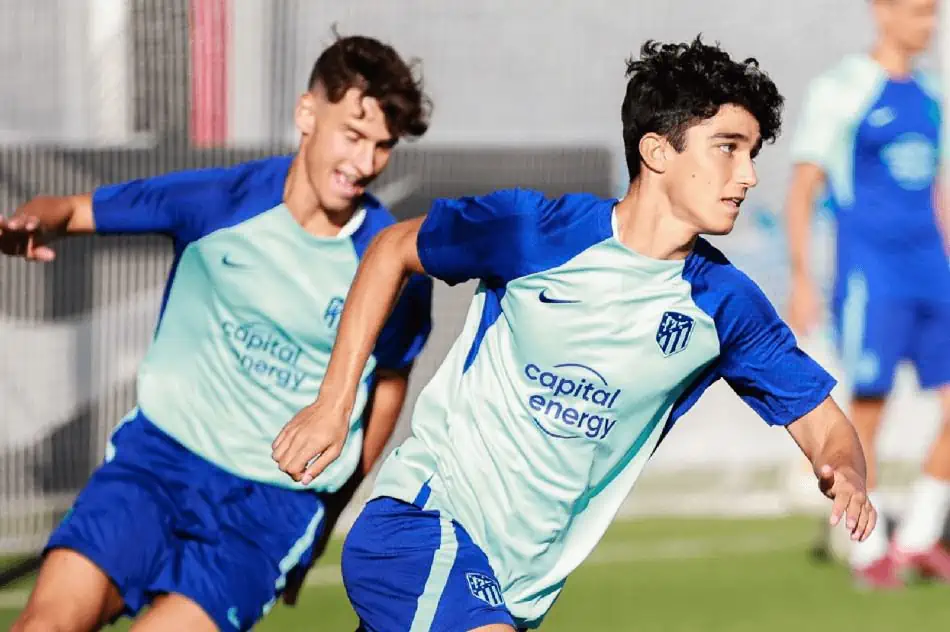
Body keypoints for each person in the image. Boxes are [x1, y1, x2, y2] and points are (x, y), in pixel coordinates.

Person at [273, 36, 877, 631]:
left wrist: (844, 470)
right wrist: (333, 404)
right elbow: (390, 249)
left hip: (516, 589)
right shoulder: (535, 232)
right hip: (422, 525)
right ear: (657, 151)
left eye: (752, 154)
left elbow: (826, 427)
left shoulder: (724, 306)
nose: (747, 175)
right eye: (728, 148)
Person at [1, 33, 433, 632]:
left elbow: (388, 384)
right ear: (307, 113)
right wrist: (33, 221)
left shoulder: (391, 262)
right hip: (155, 464)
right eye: (354, 137)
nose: (365, 164)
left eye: (383, 147)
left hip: (266, 510)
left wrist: (329, 515)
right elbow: (70, 209)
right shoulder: (220, 200)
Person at [785, 0, 950, 587]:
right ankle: (868, 550)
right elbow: (803, 189)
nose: (926, 25)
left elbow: (938, 189)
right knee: (868, 414)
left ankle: (919, 538)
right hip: (872, 273)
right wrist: (803, 277)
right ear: (882, 13)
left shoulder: (932, 92)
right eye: (915, 12)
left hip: (932, 269)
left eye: (932, 14)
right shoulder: (843, 88)